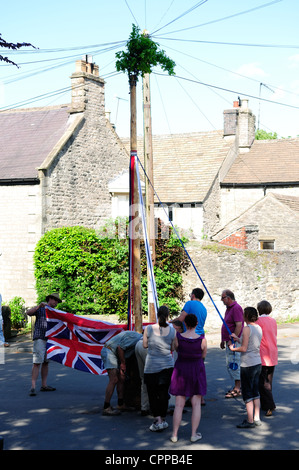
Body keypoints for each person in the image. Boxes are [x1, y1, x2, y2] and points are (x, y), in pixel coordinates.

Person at [169, 314, 207, 443]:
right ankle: (193, 434)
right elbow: (203, 355)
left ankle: (174, 434)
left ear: (185, 324)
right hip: (196, 370)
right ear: (197, 324)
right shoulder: (202, 339)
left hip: (181, 369)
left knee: (179, 405)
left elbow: (175, 349)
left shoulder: (178, 337)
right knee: (196, 404)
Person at [143, 305, 176, 431]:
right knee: (163, 393)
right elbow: (172, 348)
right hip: (167, 365)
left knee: (152, 394)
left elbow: (145, 345)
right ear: (168, 315)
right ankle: (163, 418)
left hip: (151, 366)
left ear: (157, 314)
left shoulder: (149, 329)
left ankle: (157, 419)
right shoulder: (172, 330)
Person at [230, 307, 262, 428]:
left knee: (248, 393)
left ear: (246, 316)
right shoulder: (258, 328)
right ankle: (257, 418)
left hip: (248, 364)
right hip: (257, 362)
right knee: (255, 391)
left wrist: (234, 348)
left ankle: (249, 420)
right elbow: (248, 343)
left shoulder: (247, 329)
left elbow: (244, 348)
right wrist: (238, 339)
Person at [27, 293, 61, 396]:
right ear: (50, 299)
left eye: (57, 301)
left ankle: (44, 385)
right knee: (37, 362)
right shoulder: (41, 308)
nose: (56, 302)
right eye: (55, 300)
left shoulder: (56, 312)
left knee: (46, 362)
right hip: (40, 338)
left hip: (50, 339)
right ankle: (33, 387)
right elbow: (29, 312)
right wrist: (38, 306)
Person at [101, 330, 142, 416]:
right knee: (114, 379)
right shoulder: (136, 338)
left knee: (121, 379)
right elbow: (120, 348)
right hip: (110, 351)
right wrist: (123, 364)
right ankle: (106, 407)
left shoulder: (139, 339)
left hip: (115, 353)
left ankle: (120, 404)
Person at [220, 290, 244, 398]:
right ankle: (237, 386)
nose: (222, 300)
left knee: (235, 364)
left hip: (234, 342)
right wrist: (223, 340)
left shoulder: (236, 308)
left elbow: (238, 325)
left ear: (228, 298)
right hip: (229, 341)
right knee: (231, 364)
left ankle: (238, 388)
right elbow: (226, 324)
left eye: (223, 298)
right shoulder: (229, 309)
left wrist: (232, 340)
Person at [256, 300, 278, 417]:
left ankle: (270, 405)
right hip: (273, 353)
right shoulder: (273, 321)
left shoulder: (258, 321)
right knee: (269, 380)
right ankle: (266, 404)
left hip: (263, 353)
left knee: (262, 382)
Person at [135, 337, 150, 416]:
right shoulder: (169, 329)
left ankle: (144, 407)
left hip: (139, 343)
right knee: (152, 378)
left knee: (144, 378)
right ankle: (154, 407)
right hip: (147, 346)